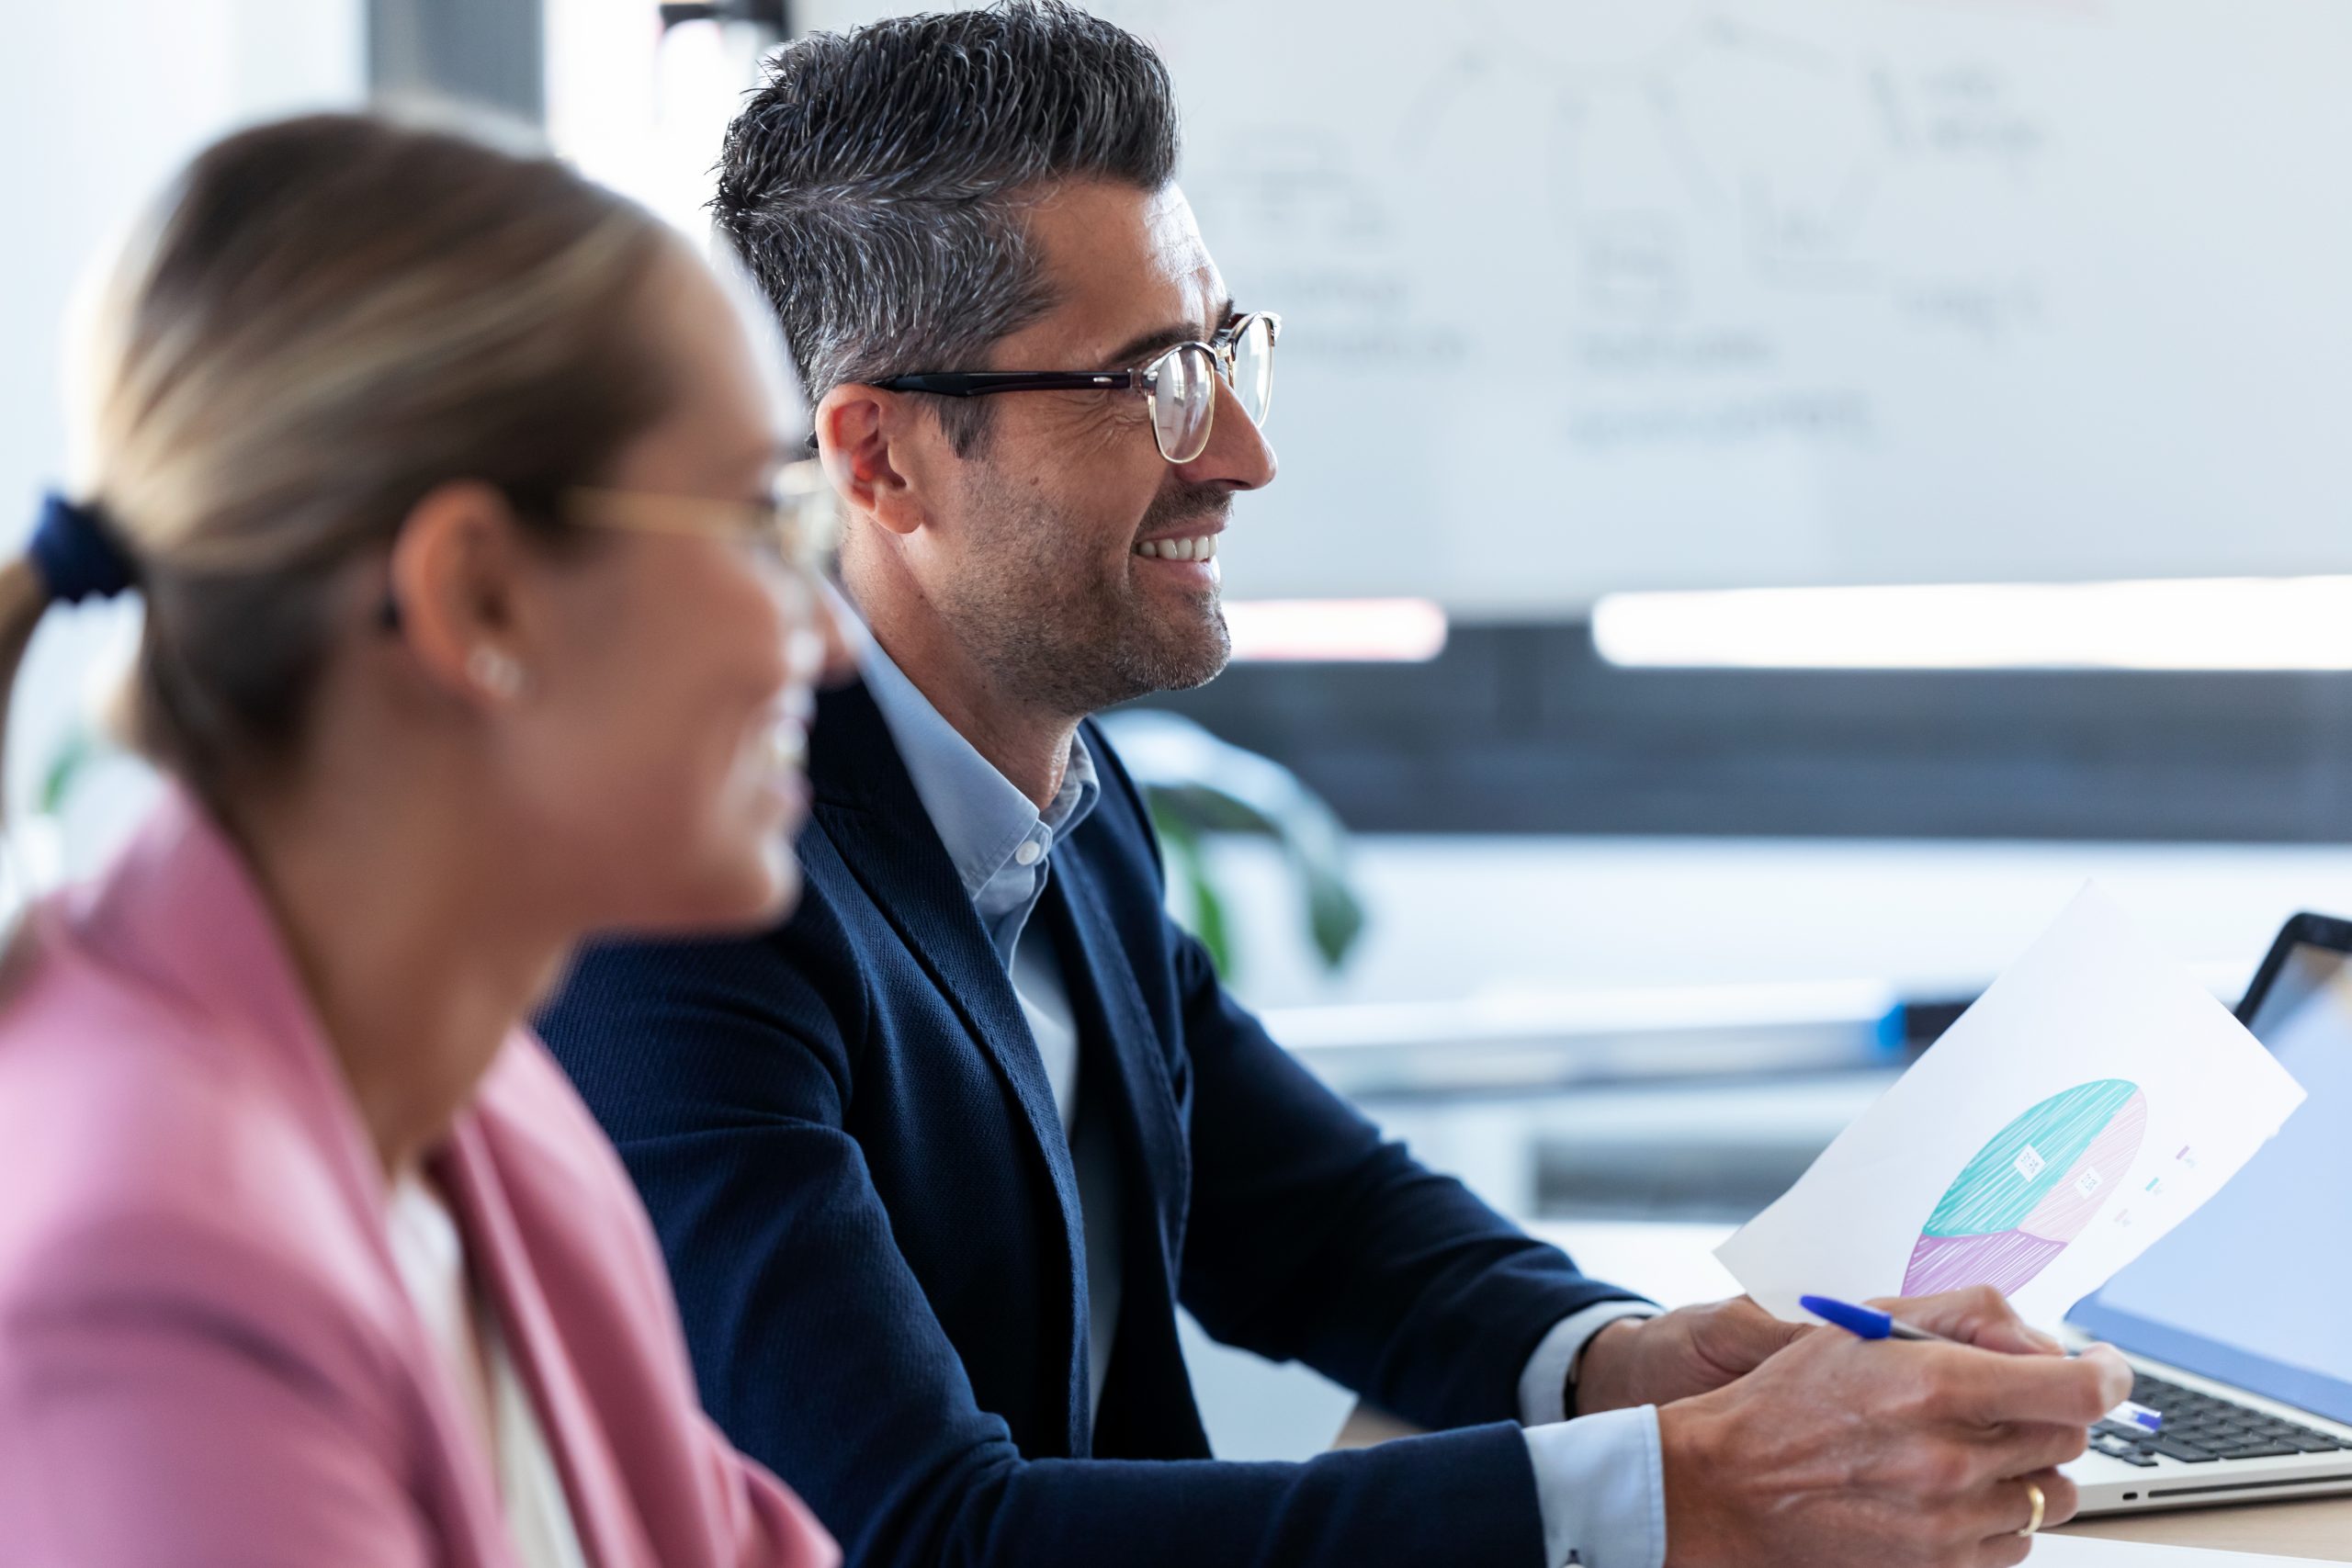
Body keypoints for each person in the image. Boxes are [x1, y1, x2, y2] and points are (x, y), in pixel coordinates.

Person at [537, 6, 2129, 1566]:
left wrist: (1637, 1361)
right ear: (880, 458)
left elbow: (1311, 1217)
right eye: (1150, 383)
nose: (1241, 450)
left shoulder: (1054, 798)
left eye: (1223, 352)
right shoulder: (683, 901)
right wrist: (1691, 1492)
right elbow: (918, 1536)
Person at [0, 111, 850, 1568]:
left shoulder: (488, 1116)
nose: (829, 640)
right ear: (479, 598)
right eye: (763, 523)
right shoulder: (151, 1280)